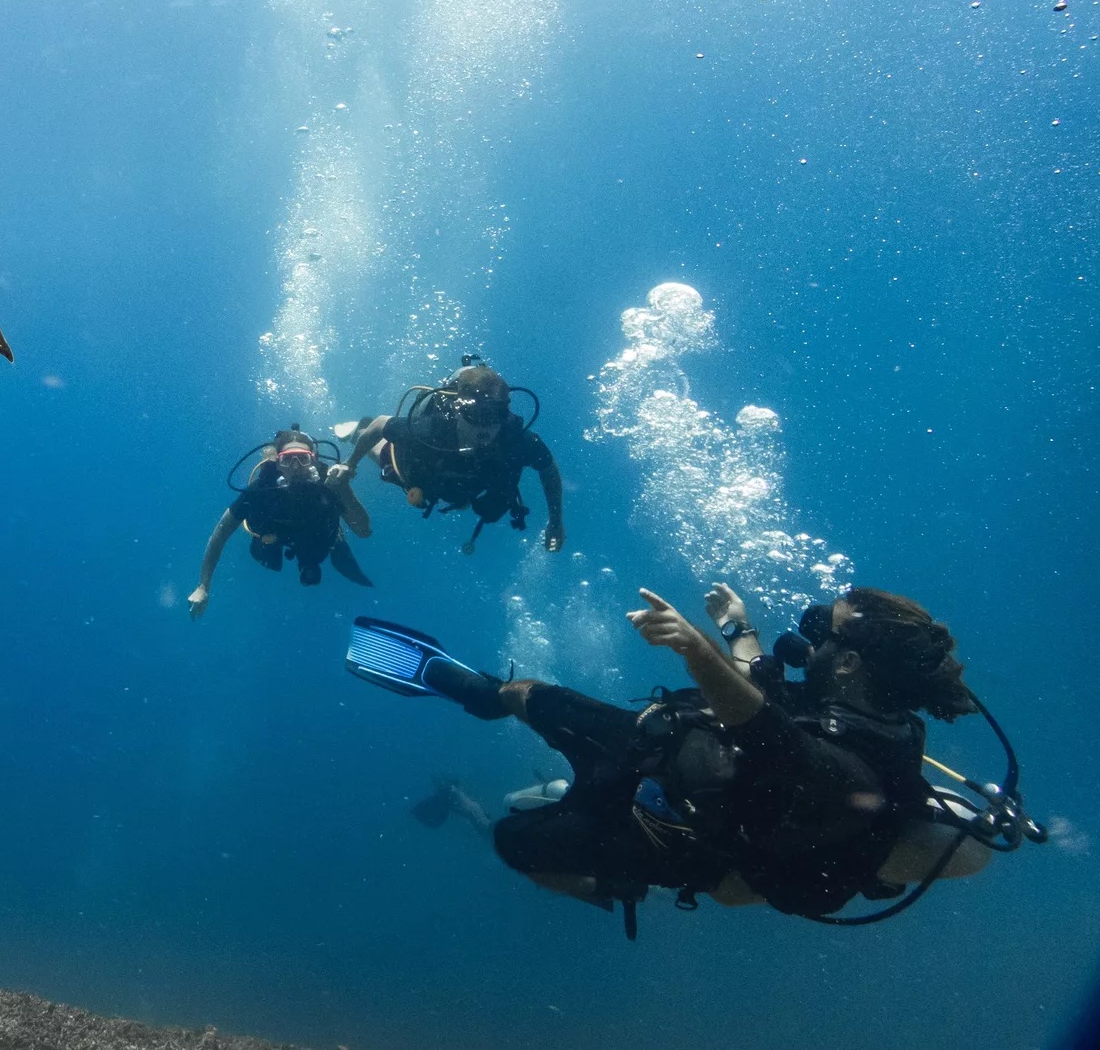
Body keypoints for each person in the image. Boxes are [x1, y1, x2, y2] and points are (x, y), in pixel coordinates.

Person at [345, 585, 989, 928]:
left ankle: (609, 885)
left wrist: (695, 650)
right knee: (529, 694)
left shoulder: (865, 763)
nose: (809, 637)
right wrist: (738, 628)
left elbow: (770, 733)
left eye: (825, 631)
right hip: (661, 750)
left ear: (848, 663)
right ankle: (472, 689)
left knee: (516, 839)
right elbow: (762, 686)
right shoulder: (859, 710)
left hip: (676, 828)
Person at [335, 361, 563, 554]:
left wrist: (555, 522)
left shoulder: (516, 439)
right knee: (391, 461)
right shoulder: (432, 428)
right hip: (427, 470)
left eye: (496, 415)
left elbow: (548, 469)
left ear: (505, 413)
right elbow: (382, 423)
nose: (485, 427)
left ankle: (463, 496)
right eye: (476, 415)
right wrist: (350, 464)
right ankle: (357, 431)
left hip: (474, 480)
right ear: (457, 410)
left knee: (489, 506)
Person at [189, 429, 372, 620]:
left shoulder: (330, 484)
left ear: (314, 461)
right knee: (266, 556)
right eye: (287, 459)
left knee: (314, 560)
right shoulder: (261, 489)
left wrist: (343, 488)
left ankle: (321, 553)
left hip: (316, 536)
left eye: (303, 459)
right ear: (277, 462)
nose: (295, 467)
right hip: (274, 537)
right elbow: (221, 533)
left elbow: (364, 530)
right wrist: (203, 586)